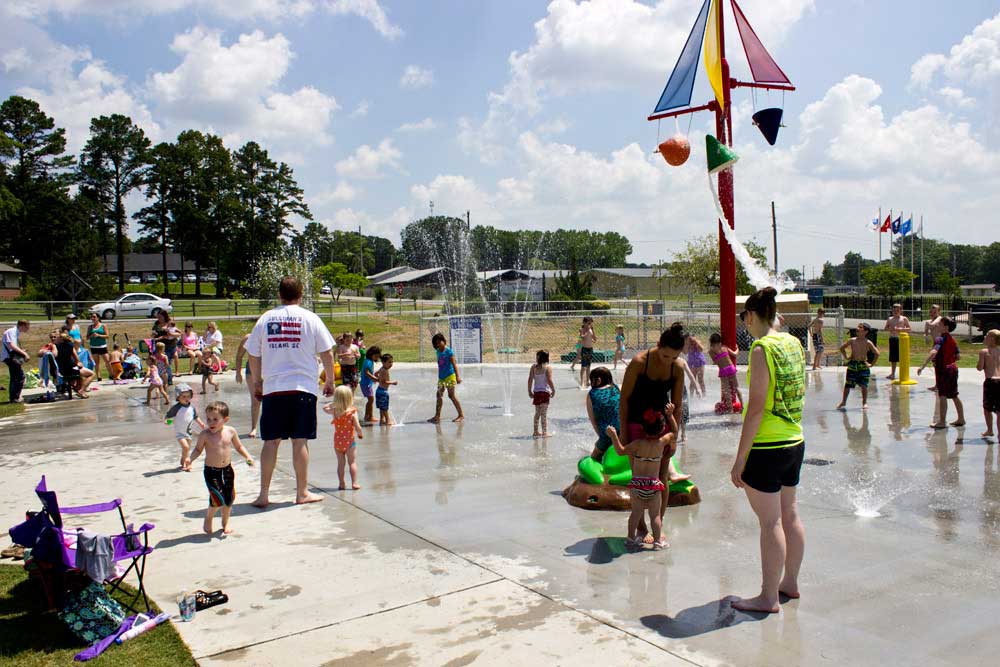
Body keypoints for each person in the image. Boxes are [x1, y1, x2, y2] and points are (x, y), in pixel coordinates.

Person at [728, 286, 807, 613]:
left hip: (766, 446)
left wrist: (740, 458)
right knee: (790, 515)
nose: (744, 326)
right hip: (794, 442)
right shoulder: (794, 343)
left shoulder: (761, 350)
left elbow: (756, 407)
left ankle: (768, 597)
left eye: (744, 319)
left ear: (751, 316)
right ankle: (790, 582)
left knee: (770, 523)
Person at [246, 276, 335, 507]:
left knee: (271, 442)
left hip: (274, 388)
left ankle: (264, 494)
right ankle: (302, 492)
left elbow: (253, 354)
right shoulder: (310, 318)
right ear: (301, 294)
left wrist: (257, 382)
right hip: (303, 388)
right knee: (299, 441)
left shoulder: (265, 319)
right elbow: (326, 352)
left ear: (279, 294)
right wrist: (330, 380)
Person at [619, 322, 686, 542]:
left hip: (661, 425)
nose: (669, 360)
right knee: (637, 477)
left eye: (674, 357)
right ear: (658, 345)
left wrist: (674, 438)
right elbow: (624, 400)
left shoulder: (677, 367)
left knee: (662, 476)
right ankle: (640, 527)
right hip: (636, 423)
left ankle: (658, 523)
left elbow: (677, 403)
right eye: (666, 356)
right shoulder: (640, 362)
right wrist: (624, 433)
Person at [185, 401, 254, 535]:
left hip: (227, 470)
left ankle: (225, 523)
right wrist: (190, 458)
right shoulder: (205, 435)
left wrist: (248, 456)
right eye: (209, 419)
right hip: (211, 471)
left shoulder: (231, 431)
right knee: (217, 499)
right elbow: (198, 449)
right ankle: (209, 518)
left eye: (215, 419)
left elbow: (239, 446)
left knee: (229, 498)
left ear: (225, 419)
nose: (211, 422)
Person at [607, 418, 673, 550]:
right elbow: (674, 432)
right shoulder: (661, 443)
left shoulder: (637, 444)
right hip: (653, 485)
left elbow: (620, 451)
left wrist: (613, 435)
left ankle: (630, 539)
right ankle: (658, 542)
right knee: (655, 515)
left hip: (637, 485)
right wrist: (670, 416)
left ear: (642, 428)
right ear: (661, 429)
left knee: (635, 514)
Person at [918, 317, 965, 428]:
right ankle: (961, 418)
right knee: (954, 395)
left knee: (942, 395)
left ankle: (942, 422)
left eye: (939, 324)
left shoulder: (940, 339)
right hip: (953, 369)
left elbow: (934, 351)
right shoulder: (953, 340)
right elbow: (958, 356)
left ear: (946, 327)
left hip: (944, 370)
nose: (937, 325)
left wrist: (923, 365)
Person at [323, 385, 363, 490]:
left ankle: (341, 484)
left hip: (338, 442)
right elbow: (358, 427)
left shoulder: (335, 411)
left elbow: (324, 408)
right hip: (349, 442)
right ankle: (354, 483)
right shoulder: (353, 413)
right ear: (350, 398)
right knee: (352, 462)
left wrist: (333, 403)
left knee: (341, 464)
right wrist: (360, 434)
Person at [836, 323, 879, 410]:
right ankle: (843, 401)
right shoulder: (852, 340)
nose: (857, 329)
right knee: (848, 385)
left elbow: (877, 353)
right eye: (857, 328)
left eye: (860, 328)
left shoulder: (868, 342)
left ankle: (864, 402)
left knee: (864, 385)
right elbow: (842, 348)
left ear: (865, 332)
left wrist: (871, 364)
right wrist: (846, 357)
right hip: (853, 364)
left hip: (863, 365)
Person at [165, 383, 206, 471]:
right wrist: (168, 421)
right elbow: (168, 417)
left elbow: (195, 417)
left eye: (188, 396)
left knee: (187, 449)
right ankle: (188, 463)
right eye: (183, 396)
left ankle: (183, 460)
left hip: (188, 432)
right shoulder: (176, 408)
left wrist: (201, 423)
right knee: (186, 447)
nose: (186, 398)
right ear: (178, 397)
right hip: (179, 432)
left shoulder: (192, 407)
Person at [586, 367, 620, 461]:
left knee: (593, 459)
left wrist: (602, 438)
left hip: (607, 434)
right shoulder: (616, 389)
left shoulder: (592, 394)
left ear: (598, 380)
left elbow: (593, 420)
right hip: (623, 433)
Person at [428, 333, 464, 423]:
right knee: (438, 395)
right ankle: (437, 416)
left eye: (440, 342)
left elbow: (454, 364)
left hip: (450, 376)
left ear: (443, 341)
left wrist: (457, 377)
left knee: (451, 396)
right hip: (441, 377)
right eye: (436, 343)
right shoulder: (438, 351)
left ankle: (461, 415)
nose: (438, 344)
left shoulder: (449, 351)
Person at [234, 333, 261, 438]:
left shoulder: (270, 336)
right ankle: (254, 427)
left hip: (268, 371)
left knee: (272, 400)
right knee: (255, 400)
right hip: (252, 371)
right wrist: (238, 373)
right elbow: (239, 356)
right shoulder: (248, 338)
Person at [55, 327, 93, 398]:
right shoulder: (70, 346)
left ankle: (78, 389)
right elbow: (77, 359)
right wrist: (79, 364)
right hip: (71, 368)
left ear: (61, 339)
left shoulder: (55, 347)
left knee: (79, 373)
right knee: (91, 374)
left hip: (61, 370)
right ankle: (81, 390)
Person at [710, 333, 743, 412]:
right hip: (731, 368)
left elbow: (715, 362)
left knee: (726, 390)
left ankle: (730, 409)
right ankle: (742, 406)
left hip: (723, 370)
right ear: (720, 342)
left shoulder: (711, 352)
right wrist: (737, 348)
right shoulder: (724, 348)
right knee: (736, 387)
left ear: (711, 343)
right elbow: (735, 354)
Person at [1, 320, 30, 403]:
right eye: (27, 326)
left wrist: (21, 350)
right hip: (10, 358)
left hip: (10, 357)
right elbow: (12, 346)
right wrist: (24, 354)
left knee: (15, 377)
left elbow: (11, 346)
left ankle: (13, 397)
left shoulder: (15, 332)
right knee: (20, 377)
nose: (28, 328)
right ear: (23, 325)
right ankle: (15, 398)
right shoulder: (12, 332)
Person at [528, 350, 555, 437]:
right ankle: (544, 432)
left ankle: (535, 431)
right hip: (544, 393)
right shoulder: (547, 368)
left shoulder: (533, 367)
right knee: (543, 413)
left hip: (536, 393)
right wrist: (553, 390)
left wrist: (529, 391)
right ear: (547, 358)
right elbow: (549, 380)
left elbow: (530, 379)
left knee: (537, 413)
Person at [978, 330, 1000, 438]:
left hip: (990, 381)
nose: (985, 336)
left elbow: (980, 367)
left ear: (992, 339)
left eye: (987, 335)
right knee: (999, 409)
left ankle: (990, 430)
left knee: (987, 408)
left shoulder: (984, 351)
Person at [883, 304, 912, 380]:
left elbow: (909, 329)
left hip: (901, 339)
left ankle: (904, 374)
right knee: (893, 358)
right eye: (894, 310)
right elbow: (885, 328)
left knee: (902, 357)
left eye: (898, 310)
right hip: (892, 338)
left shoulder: (904, 319)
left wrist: (901, 329)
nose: (896, 311)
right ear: (892, 310)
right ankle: (892, 374)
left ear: (901, 310)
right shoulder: (890, 319)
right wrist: (891, 329)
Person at [152, 312, 181, 383]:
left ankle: (169, 379)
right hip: (159, 347)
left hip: (170, 346)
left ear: (164, 316)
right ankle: (162, 379)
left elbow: (179, 333)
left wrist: (171, 334)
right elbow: (153, 333)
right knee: (160, 364)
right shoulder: (156, 324)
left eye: (160, 317)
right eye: (158, 317)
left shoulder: (170, 323)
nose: (159, 318)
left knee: (166, 363)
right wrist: (153, 334)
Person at [360, 346, 382, 424]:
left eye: (377, 357)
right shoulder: (368, 361)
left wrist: (373, 378)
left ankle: (370, 416)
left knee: (371, 400)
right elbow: (367, 372)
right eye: (376, 356)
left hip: (367, 384)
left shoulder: (370, 361)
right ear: (371, 354)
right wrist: (375, 379)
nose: (376, 358)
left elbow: (370, 372)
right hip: (365, 384)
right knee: (371, 400)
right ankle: (367, 416)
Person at [86, 313, 110, 381]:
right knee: (96, 362)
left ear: (98, 318)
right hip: (93, 346)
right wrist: (92, 336)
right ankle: (99, 376)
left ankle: (111, 374)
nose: (93, 318)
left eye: (94, 317)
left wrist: (99, 335)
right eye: (91, 317)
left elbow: (107, 336)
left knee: (107, 360)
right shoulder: (90, 327)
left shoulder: (103, 325)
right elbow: (87, 337)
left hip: (102, 346)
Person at [376, 353, 397, 426]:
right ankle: (388, 420)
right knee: (384, 408)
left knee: (382, 407)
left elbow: (375, 373)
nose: (391, 364)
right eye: (389, 362)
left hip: (379, 390)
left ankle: (382, 420)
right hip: (383, 392)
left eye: (392, 362)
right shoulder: (384, 370)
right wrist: (393, 382)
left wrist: (378, 379)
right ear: (383, 362)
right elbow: (384, 382)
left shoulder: (382, 368)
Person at [578, 317, 597, 388]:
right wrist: (585, 333)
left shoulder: (591, 330)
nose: (590, 324)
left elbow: (595, 339)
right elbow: (581, 338)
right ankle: (582, 382)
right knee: (583, 367)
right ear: (584, 323)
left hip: (590, 349)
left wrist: (593, 331)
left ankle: (588, 381)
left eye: (591, 323)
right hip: (584, 349)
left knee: (589, 366)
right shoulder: (582, 329)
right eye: (588, 323)